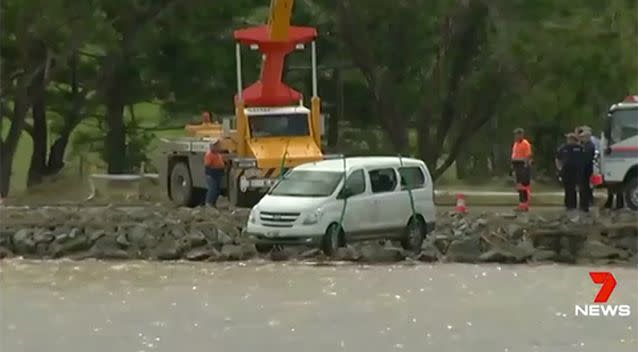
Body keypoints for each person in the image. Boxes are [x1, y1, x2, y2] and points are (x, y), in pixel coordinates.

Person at [556, 133, 588, 212]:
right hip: (566, 170)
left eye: (570, 139)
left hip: (578, 171)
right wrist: (559, 168)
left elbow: (585, 159)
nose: (568, 140)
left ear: (574, 140)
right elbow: (557, 158)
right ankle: (569, 205)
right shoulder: (563, 148)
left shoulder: (580, 148)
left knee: (579, 188)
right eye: (568, 139)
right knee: (568, 188)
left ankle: (581, 205)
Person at [511, 128, 533, 211]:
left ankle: (525, 205)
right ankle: (521, 204)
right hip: (516, 164)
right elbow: (514, 154)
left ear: (521, 135)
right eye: (515, 134)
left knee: (524, 185)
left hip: (523, 165)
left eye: (517, 134)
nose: (516, 136)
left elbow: (528, 155)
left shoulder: (525, 143)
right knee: (519, 186)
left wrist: (525, 165)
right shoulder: (516, 143)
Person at [204, 140, 225, 207]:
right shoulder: (209, 155)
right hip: (212, 175)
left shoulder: (217, 154)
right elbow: (207, 165)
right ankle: (208, 203)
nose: (217, 147)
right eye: (215, 145)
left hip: (217, 174)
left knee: (217, 190)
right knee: (212, 189)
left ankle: (213, 203)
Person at [579, 130, 596, 206]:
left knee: (586, 186)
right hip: (585, 168)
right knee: (585, 186)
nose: (581, 138)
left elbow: (587, 158)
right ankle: (586, 201)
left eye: (582, 137)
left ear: (587, 137)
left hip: (587, 169)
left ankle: (587, 202)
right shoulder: (585, 145)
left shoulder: (589, 146)